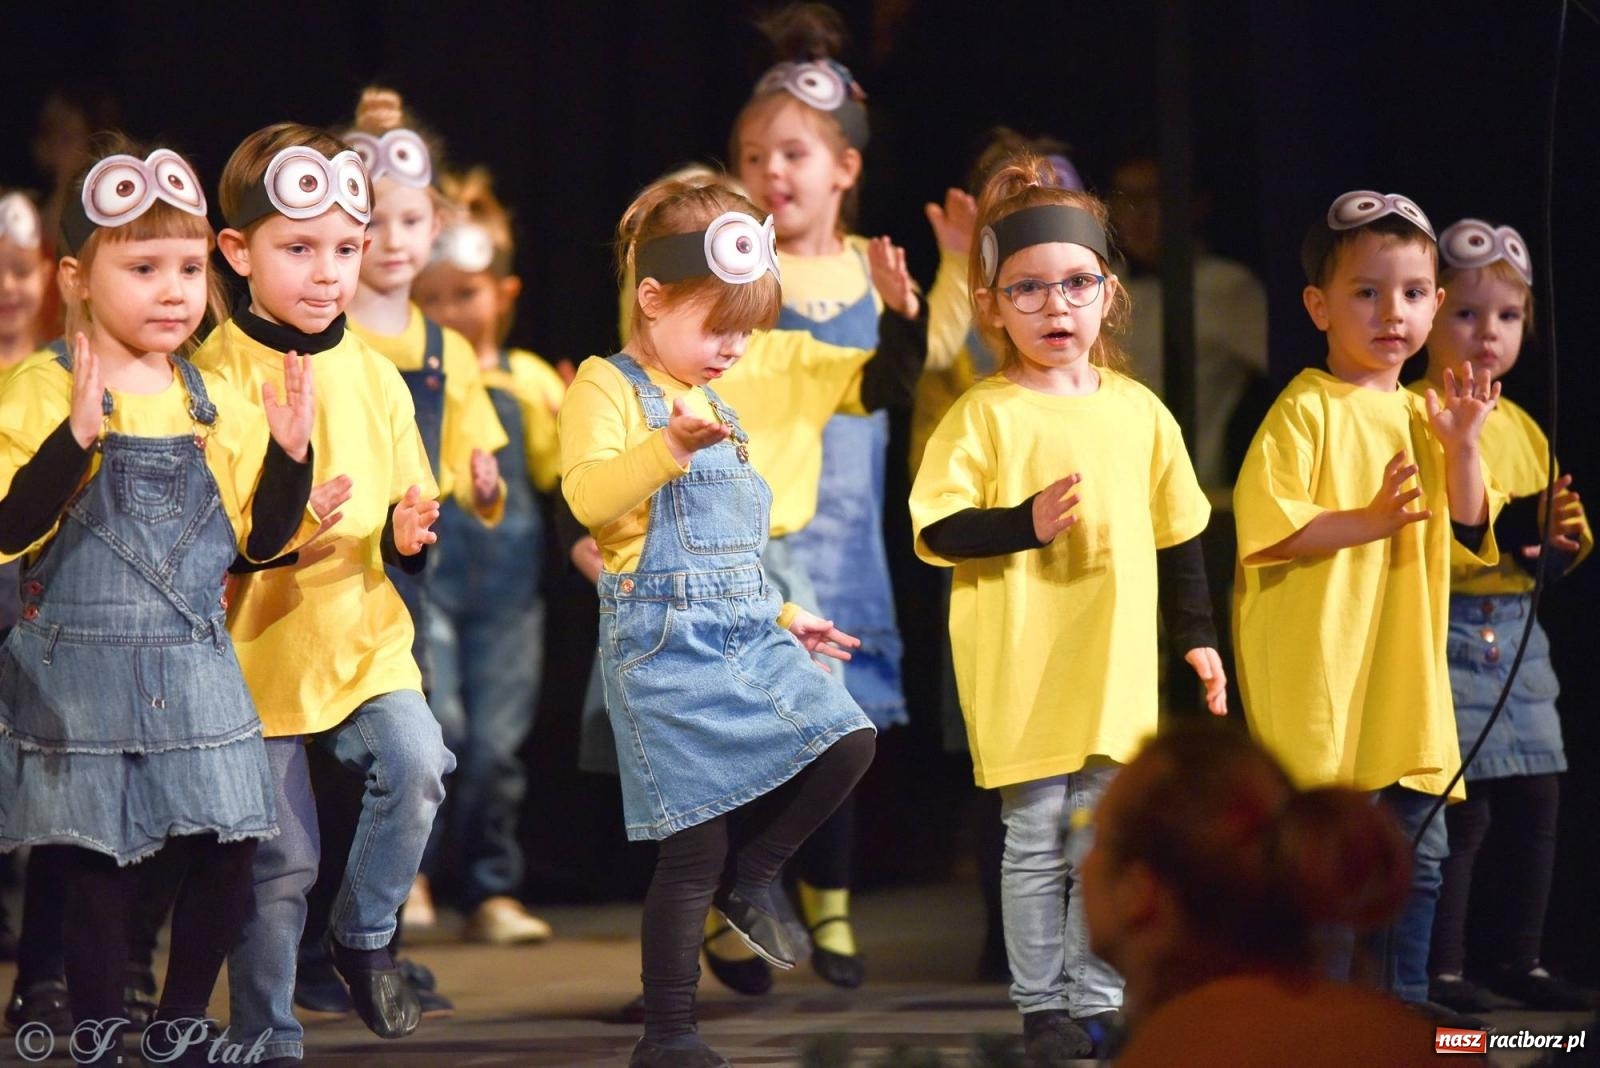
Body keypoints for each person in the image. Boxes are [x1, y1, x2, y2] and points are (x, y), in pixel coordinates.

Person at [0, 141, 315, 1064]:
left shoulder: (212, 397)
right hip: (83, 661)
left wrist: (291, 461)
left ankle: (181, 1013)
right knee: (97, 852)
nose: (174, 291)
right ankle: (100, 1018)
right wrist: (75, 440)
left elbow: (258, 545)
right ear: (77, 277)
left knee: (229, 836)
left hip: (190, 654)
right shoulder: (43, 385)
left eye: (187, 269)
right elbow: (9, 529)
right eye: (143, 269)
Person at [909, 153, 1226, 1065]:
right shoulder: (985, 414)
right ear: (993, 306)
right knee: (1035, 839)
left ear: (1109, 296)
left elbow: (1181, 539)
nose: (1056, 307)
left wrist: (1198, 644)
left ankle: (1098, 999)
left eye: (1076, 285)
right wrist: (1024, 522)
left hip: (1116, 670)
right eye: (1030, 289)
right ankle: (1041, 1003)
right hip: (1023, 667)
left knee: (1103, 841)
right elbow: (938, 528)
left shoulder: (1141, 413)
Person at [560, 177, 876, 1068]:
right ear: (652, 298)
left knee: (848, 738)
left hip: (741, 622)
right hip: (659, 645)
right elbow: (586, 496)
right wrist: (667, 447)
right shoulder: (607, 384)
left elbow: (727, 546)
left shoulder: (721, 404)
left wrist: (787, 612)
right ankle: (670, 1035)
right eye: (718, 326)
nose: (733, 348)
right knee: (690, 848)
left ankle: (762, 873)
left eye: (746, 330)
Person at [194, 121, 455, 1066]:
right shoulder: (214, 380)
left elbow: (403, 504)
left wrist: (404, 534)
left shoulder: (379, 378)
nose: (327, 272)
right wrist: (287, 525)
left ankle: (366, 932)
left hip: (363, 637)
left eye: (346, 249)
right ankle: (267, 1032)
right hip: (254, 656)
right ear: (237, 252)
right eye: (298, 249)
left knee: (419, 760)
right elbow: (224, 541)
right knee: (278, 864)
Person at [1233, 190, 1502, 1018]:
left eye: (1416, 294)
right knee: (1326, 859)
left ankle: (1406, 1004)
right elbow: (1270, 530)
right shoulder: (1303, 409)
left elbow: (1468, 522)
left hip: (1400, 675)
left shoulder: (1426, 412)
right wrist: (1371, 521)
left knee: (1416, 853)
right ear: (1319, 305)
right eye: (1367, 292)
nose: (1395, 312)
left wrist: (1462, 447)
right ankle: (1320, 1012)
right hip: (1326, 674)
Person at [729, 0, 917, 988]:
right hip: (754, 533)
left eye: (795, 153)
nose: (773, 174)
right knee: (755, 727)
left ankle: (830, 905)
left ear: (843, 166)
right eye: (755, 155)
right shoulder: (735, 276)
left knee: (842, 729)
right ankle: (744, 907)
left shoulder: (870, 274)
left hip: (847, 539)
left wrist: (914, 312)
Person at [1415, 219, 1592, 1013]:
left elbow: (1564, 532)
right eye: (1466, 314)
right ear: (1428, 316)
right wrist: (1504, 536)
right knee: (1467, 808)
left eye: (1508, 318)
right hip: (1447, 627)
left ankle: (1519, 957)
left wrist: (1557, 546)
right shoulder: (1414, 413)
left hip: (1520, 636)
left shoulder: (1520, 424)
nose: (1488, 333)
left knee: (1538, 798)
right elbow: (1430, 532)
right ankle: (1444, 968)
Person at [1082, 725, 1448, 1067]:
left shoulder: (1172, 1052)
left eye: (1091, 840)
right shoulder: (1421, 1042)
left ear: (1140, 891)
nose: (1081, 864)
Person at [411, 167, 564, 944]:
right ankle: (414, 877)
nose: (447, 313)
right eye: (429, 299)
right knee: (440, 730)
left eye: (463, 295)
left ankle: (493, 888)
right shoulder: (413, 377)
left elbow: (555, 477)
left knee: (498, 746)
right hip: (430, 583)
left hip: (508, 596)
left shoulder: (531, 380)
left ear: (502, 295)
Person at [1108, 156, 1269, 491]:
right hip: (1103, 486)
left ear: (1193, 205)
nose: (1140, 215)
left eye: (1154, 198)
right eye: (1128, 200)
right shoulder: (1100, 285)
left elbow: (1291, 372)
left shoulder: (1224, 287)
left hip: (1190, 493)